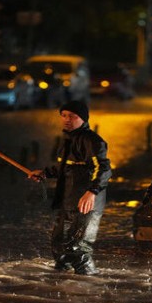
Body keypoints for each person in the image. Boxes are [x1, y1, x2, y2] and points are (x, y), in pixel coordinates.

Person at [28, 100, 112, 275]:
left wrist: (92, 192)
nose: (67, 119)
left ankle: (89, 285)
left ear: (83, 118)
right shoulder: (68, 140)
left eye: (72, 116)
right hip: (67, 201)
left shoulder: (92, 141)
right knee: (58, 246)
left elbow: (103, 169)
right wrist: (45, 173)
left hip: (87, 204)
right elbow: (67, 168)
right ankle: (61, 284)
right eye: (64, 115)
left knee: (77, 247)